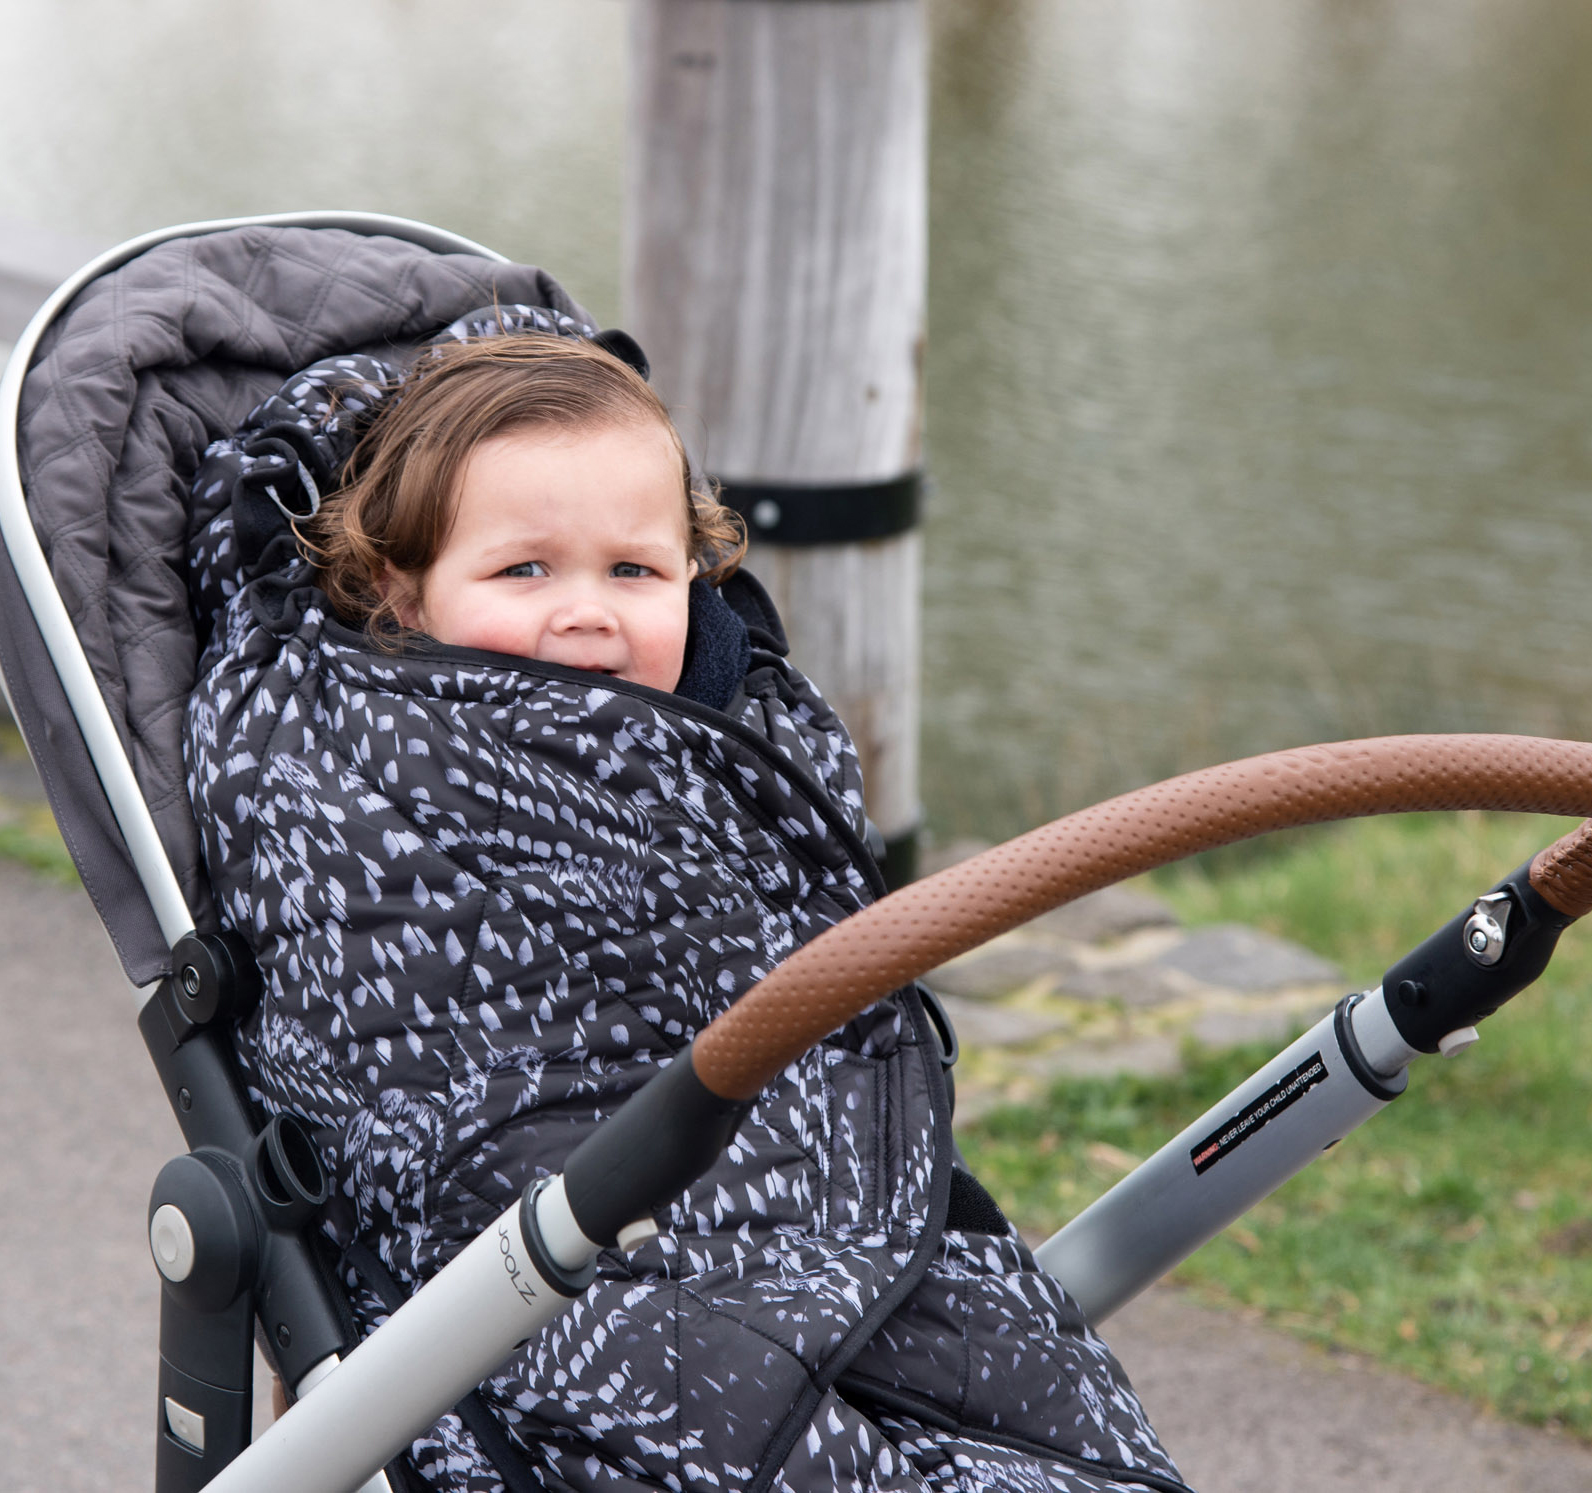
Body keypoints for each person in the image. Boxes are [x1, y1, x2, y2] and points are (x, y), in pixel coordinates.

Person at [184, 314, 1183, 1493]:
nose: (588, 610)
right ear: (400, 594)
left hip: (814, 1204)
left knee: (1037, 1402)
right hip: (541, 1253)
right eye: (523, 570)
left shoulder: (742, 747)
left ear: (696, 578)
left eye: (634, 571)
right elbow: (406, 1068)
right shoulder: (349, 760)